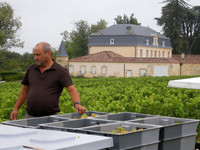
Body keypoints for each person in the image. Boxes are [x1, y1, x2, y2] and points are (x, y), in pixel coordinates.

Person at [10, 42, 86, 120]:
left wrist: (77, 104)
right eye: (34, 55)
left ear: (48, 54)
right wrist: (15, 109)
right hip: (30, 117)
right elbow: (24, 90)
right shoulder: (31, 69)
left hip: (50, 118)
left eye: (38, 55)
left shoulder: (60, 71)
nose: (35, 58)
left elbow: (71, 90)